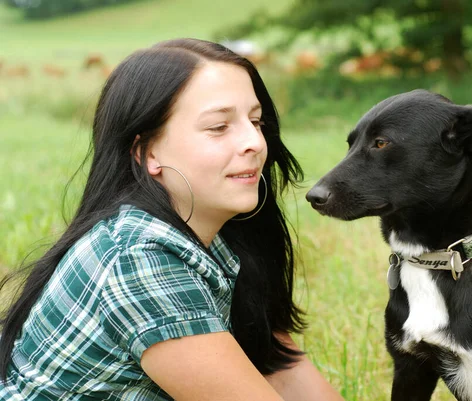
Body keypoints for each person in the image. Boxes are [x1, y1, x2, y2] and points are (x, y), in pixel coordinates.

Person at [0, 38, 344, 401]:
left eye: (255, 121)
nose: (255, 143)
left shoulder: (221, 242)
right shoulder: (140, 261)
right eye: (218, 127)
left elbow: (285, 372)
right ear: (148, 152)